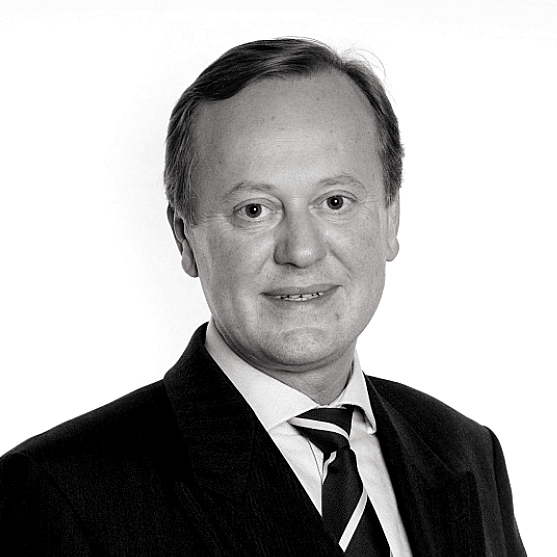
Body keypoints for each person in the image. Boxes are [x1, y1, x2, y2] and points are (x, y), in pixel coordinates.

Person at [0, 38, 526, 556]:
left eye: (335, 201)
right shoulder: (56, 493)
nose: (301, 250)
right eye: (254, 210)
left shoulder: (465, 451)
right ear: (185, 238)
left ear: (390, 219)